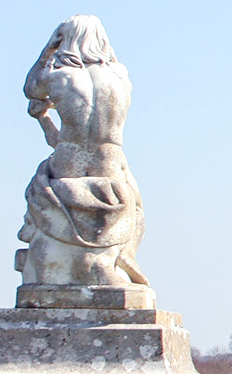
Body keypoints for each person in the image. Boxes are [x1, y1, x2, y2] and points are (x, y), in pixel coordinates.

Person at [17, 15, 148, 286]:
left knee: (40, 189)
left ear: (64, 41)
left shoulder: (58, 76)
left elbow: (31, 89)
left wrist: (46, 54)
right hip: (108, 159)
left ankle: (54, 265)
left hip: (69, 157)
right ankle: (121, 259)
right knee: (135, 210)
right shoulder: (119, 75)